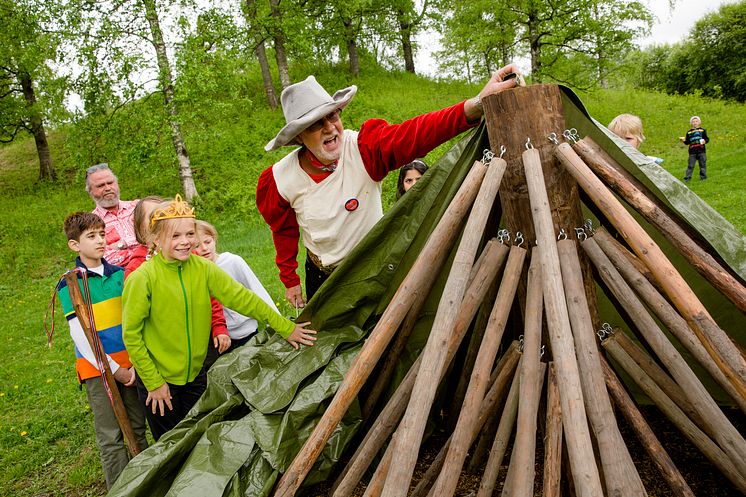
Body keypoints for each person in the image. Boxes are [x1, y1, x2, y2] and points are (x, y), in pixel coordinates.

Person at [257, 65, 522, 306]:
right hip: (322, 275)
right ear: (300, 137)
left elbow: (416, 133)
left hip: (374, 268)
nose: (330, 128)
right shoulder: (281, 179)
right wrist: (290, 279)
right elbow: (284, 231)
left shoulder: (364, 149)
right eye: (316, 124)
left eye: (333, 116)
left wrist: (474, 106)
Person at [122, 195, 316, 440]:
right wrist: (153, 382)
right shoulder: (142, 279)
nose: (185, 242)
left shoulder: (203, 268)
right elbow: (131, 335)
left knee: (200, 437)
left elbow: (243, 299)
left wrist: (285, 327)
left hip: (197, 374)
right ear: (156, 239)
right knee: (170, 444)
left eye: (189, 234)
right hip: (159, 381)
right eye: (175, 236)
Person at [56, 212, 148, 488]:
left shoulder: (120, 276)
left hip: (131, 365)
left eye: (102, 234)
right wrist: (113, 368)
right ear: (75, 245)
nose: (100, 241)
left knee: (138, 427)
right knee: (111, 436)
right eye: (91, 236)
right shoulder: (70, 282)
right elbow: (79, 334)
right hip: (98, 368)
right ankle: (120, 489)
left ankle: (146, 481)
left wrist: (129, 365)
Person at [125, 197, 231, 370]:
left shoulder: (190, 257)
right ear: (140, 227)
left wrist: (218, 325)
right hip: (166, 355)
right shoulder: (137, 269)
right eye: (153, 215)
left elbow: (212, 295)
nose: (164, 218)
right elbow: (134, 325)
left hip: (202, 343)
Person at [194, 220, 280, 353]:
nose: (204, 248)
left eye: (207, 242)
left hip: (247, 331)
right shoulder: (194, 272)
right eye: (197, 245)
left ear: (214, 240)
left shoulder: (232, 262)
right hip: (218, 338)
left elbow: (257, 290)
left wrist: (278, 324)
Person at [86, 163, 139, 266]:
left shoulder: (138, 208)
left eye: (110, 183)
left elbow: (160, 239)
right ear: (90, 192)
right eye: (100, 185)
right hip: (121, 277)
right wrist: (142, 249)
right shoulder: (90, 223)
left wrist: (120, 245)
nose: (107, 188)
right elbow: (104, 259)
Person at [679, 115, 709, 182]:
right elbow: (687, 142)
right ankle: (687, 178)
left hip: (701, 151)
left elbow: (707, 139)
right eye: (693, 122)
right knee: (690, 165)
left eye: (696, 121)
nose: (695, 123)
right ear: (691, 123)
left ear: (699, 122)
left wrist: (705, 141)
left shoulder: (702, 130)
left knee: (702, 164)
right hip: (692, 151)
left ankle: (703, 178)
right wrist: (683, 140)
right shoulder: (689, 132)